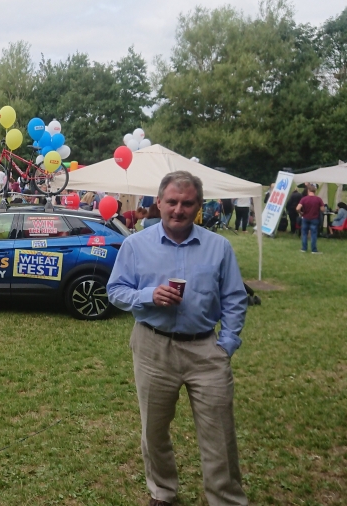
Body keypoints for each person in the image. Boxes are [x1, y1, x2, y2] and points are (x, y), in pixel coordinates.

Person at [107, 170, 249, 506]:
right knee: (154, 431)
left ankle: (226, 499)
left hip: (206, 349)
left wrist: (226, 344)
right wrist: (147, 296)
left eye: (187, 203)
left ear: (199, 205)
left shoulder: (219, 247)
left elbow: (234, 298)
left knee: (219, 434)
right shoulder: (135, 244)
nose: (178, 210)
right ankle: (163, 492)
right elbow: (115, 290)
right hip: (153, 346)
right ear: (158, 202)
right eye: (172, 202)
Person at [297, 184, 325, 253]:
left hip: (305, 218)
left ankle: (304, 248)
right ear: (315, 191)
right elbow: (322, 209)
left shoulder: (304, 199)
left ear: (308, 190)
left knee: (304, 234)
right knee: (313, 234)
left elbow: (297, 208)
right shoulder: (318, 199)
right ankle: (314, 250)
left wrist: (301, 213)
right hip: (315, 218)